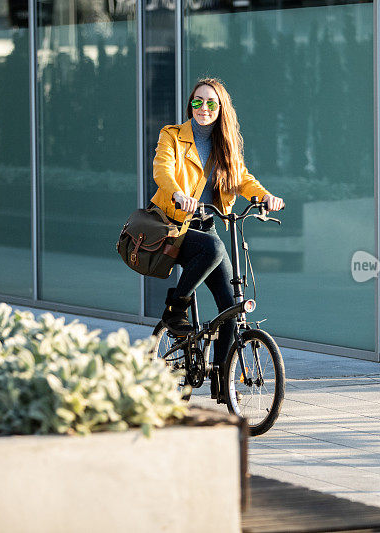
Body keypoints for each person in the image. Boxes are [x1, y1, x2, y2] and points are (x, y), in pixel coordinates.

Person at [150, 78, 284, 402]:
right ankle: (175, 307)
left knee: (231, 307)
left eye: (211, 103)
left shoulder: (225, 145)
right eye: (198, 102)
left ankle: (223, 381)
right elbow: (161, 170)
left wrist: (264, 196)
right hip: (175, 225)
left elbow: (242, 179)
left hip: (208, 227)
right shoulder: (172, 136)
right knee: (214, 247)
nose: (204, 108)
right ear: (190, 105)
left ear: (221, 107)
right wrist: (178, 193)